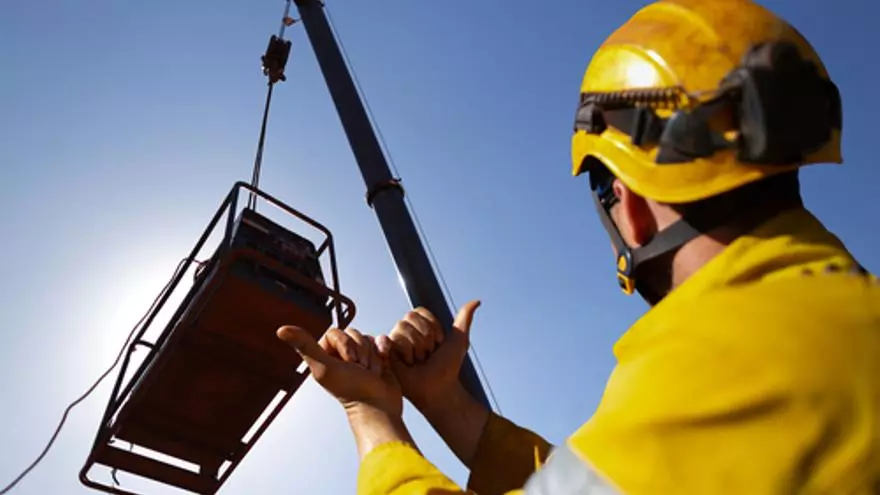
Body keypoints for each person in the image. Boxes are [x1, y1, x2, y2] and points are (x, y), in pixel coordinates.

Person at [276, 0, 880, 493]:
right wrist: (445, 405)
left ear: (629, 202)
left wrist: (371, 417)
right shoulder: (833, 330)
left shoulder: (728, 365)